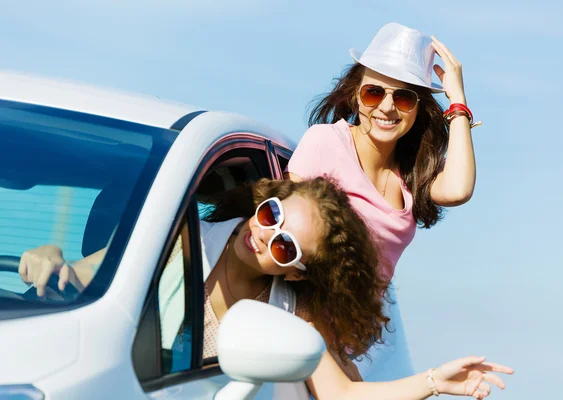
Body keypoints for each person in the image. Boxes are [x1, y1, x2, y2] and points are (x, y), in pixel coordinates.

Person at [20, 177, 512, 399]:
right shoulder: (178, 240)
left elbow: (341, 395)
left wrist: (434, 382)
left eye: (284, 247)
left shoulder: (291, 314)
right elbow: (82, 280)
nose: (262, 234)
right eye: (270, 214)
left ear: (295, 273)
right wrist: (51, 259)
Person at [287, 22, 478, 281]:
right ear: (355, 96)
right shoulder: (325, 142)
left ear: (419, 108)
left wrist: (458, 101)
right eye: (373, 93)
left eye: (404, 98)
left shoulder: (413, 170)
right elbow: (287, 234)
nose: (387, 107)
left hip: (367, 320)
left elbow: (458, 190)